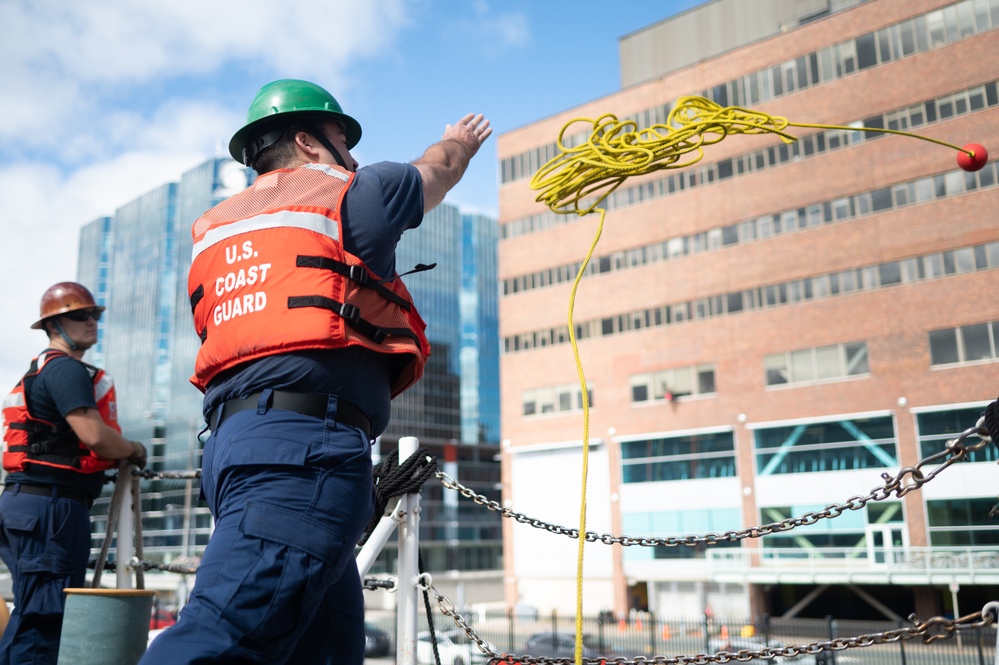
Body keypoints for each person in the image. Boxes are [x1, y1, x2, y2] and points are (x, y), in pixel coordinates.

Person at [140, 79, 491, 664]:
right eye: (341, 140)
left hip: (237, 449)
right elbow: (439, 169)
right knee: (214, 639)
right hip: (302, 454)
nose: (351, 155)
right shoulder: (357, 191)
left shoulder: (215, 232)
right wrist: (458, 141)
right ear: (307, 140)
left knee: (325, 649)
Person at [0, 282, 148, 664]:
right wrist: (133, 449)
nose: (91, 322)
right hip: (51, 510)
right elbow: (95, 436)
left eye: (94, 315)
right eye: (79, 315)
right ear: (54, 326)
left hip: (31, 507)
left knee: (36, 613)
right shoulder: (65, 369)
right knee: (43, 622)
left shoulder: (43, 369)